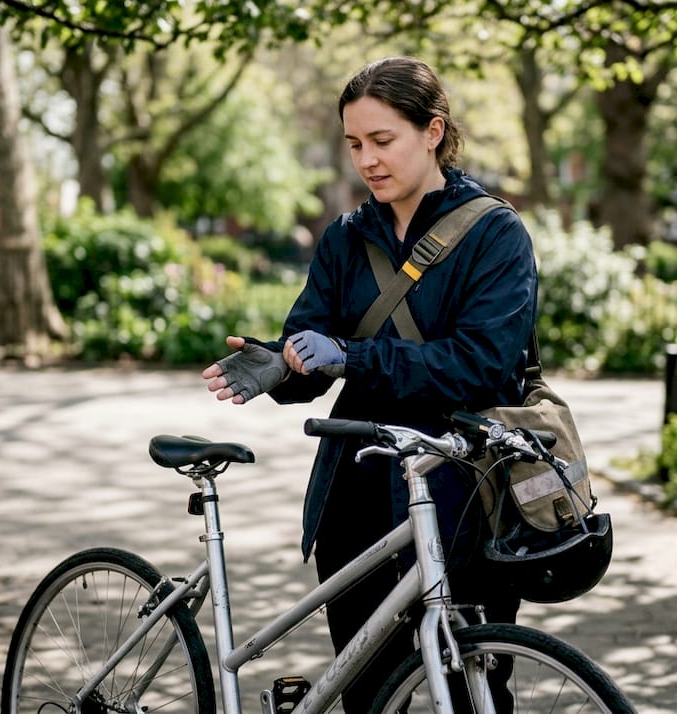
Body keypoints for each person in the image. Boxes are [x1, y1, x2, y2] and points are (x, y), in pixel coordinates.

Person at [201, 56, 537, 710]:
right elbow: (314, 359)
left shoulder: (494, 234)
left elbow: (484, 366)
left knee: (472, 690)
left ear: (432, 131)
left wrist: (353, 356)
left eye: (383, 141)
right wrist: (278, 364)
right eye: (355, 144)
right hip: (356, 491)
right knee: (367, 694)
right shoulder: (346, 240)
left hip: (465, 492)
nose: (368, 160)